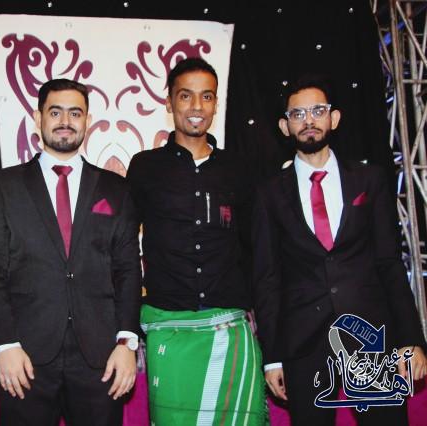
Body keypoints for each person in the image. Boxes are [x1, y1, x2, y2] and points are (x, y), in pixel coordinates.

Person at [252, 74, 427, 425]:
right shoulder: (268, 194)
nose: (309, 121)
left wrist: (411, 339)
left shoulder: (369, 180)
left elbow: (390, 263)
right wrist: (272, 357)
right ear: (285, 126)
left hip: (373, 337)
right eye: (298, 114)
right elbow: (267, 279)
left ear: (334, 118)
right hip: (303, 343)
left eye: (318, 111)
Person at [0, 78, 142, 426]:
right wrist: (6, 344)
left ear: (87, 121)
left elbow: (127, 269)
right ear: (38, 119)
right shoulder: (5, 186)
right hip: (24, 356)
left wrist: (127, 343)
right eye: (55, 112)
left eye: (75, 113)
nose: (65, 121)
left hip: (100, 358)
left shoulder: (117, 188)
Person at [126, 57, 266, 425]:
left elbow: (257, 249)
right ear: (169, 102)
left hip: (230, 328)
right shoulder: (145, 167)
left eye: (206, 96)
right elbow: (123, 247)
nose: (197, 107)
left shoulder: (239, 169)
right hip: (168, 327)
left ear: (216, 103)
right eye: (186, 96)